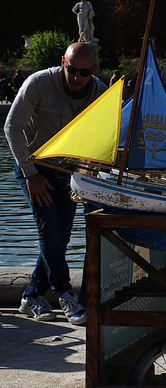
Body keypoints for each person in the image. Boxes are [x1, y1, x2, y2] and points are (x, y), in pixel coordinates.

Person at [3, 42, 107, 325]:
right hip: (33, 165)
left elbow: (104, 135)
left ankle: (32, 296)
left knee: (60, 236)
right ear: (63, 62)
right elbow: (11, 127)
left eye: (83, 72)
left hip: (67, 170)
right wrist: (30, 173)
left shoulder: (99, 91)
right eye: (71, 69)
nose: (76, 77)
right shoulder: (38, 82)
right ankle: (65, 293)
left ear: (93, 70)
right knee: (50, 230)